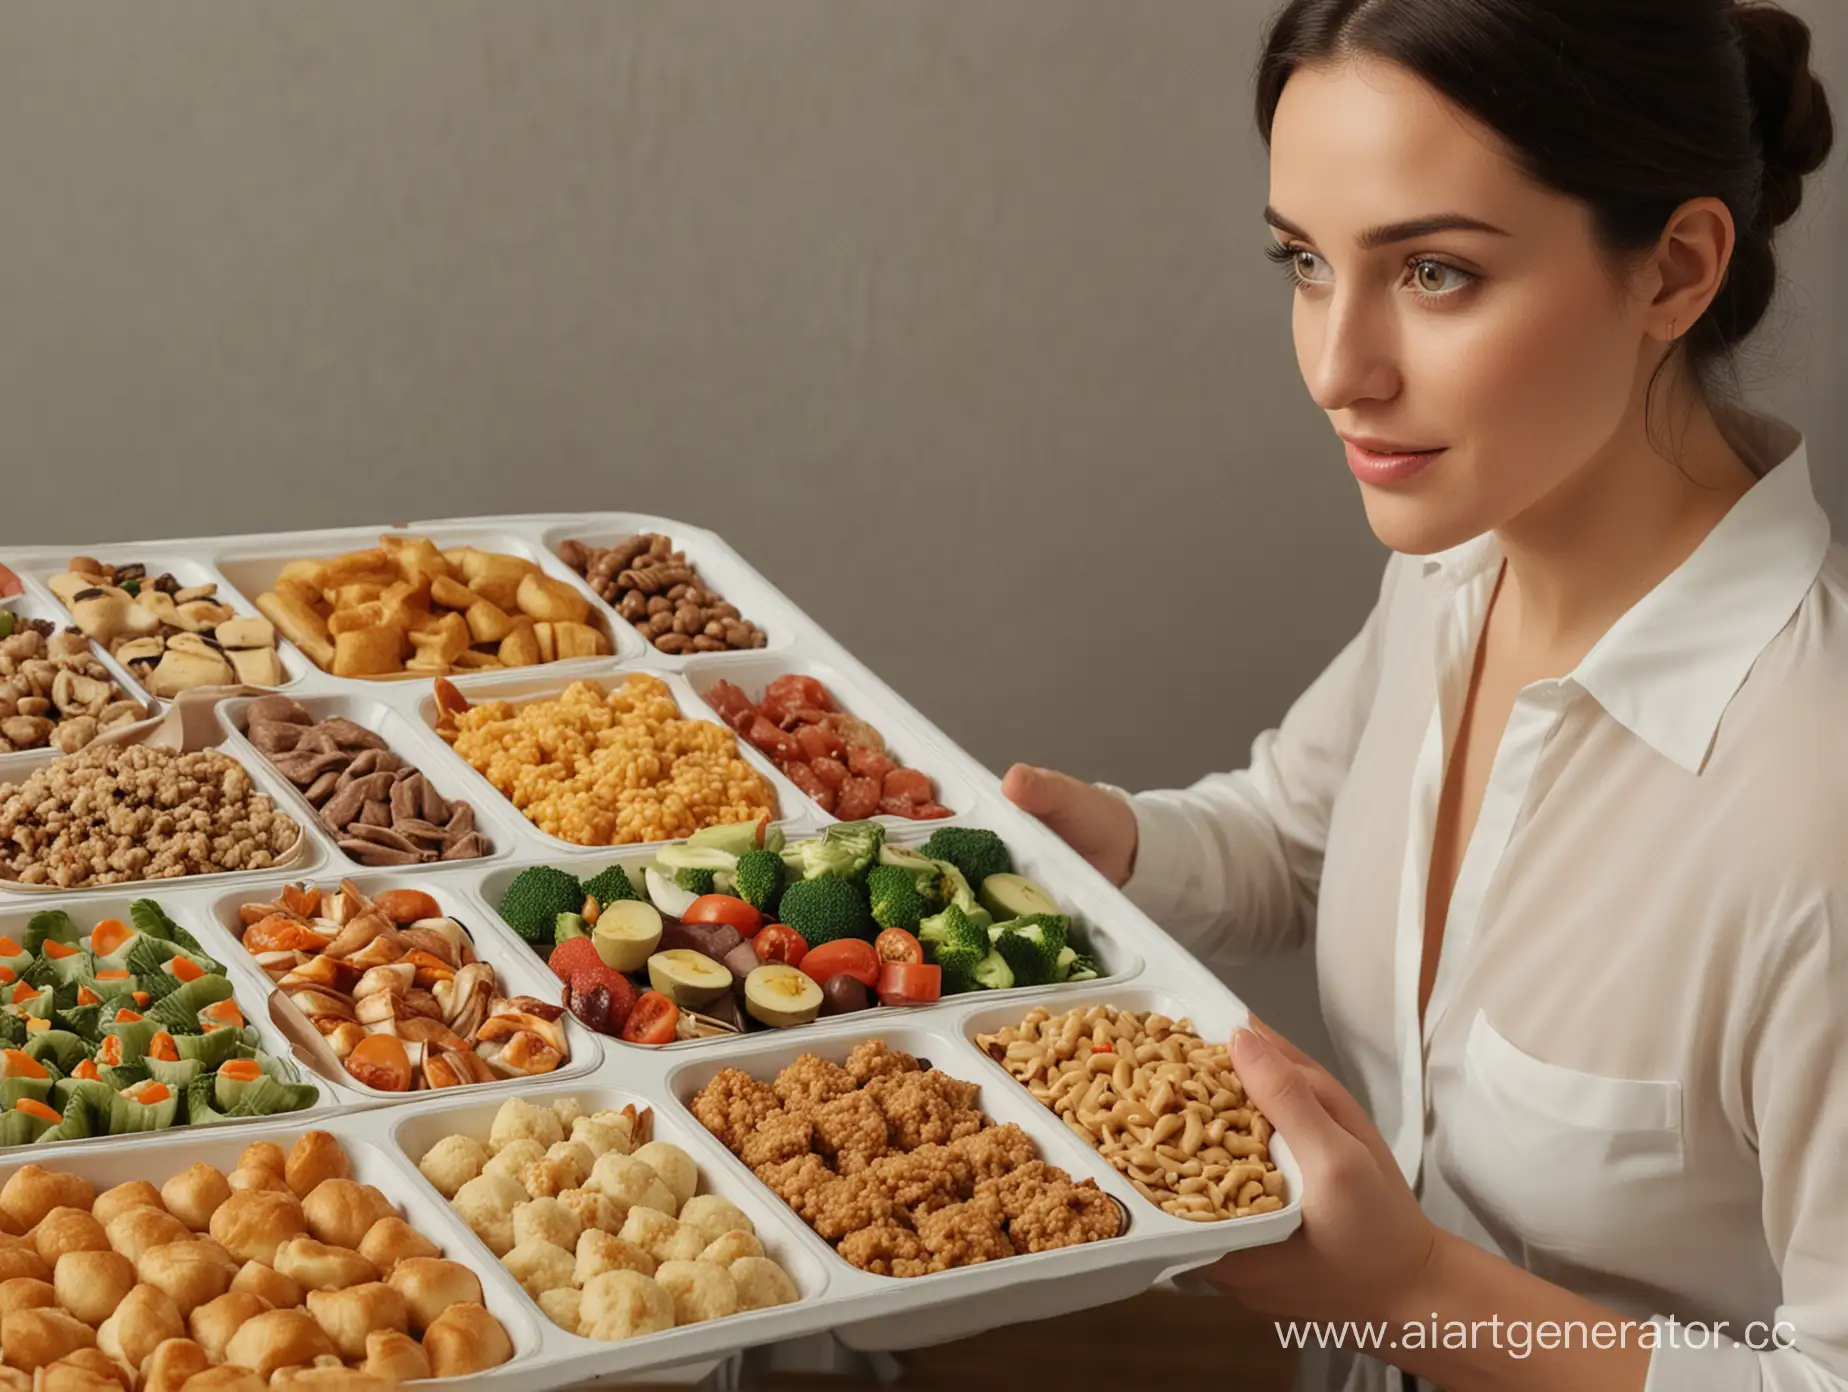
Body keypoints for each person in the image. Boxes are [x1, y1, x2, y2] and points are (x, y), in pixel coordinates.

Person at [1003, 2, 1839, 1389]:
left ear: (1676, 270)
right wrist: (1110, 846)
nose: (1338, 369)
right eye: (1305, 263)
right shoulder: (1459, 567)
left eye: (1436, 272)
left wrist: (1414, 1293)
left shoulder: (1815, 810)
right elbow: (1295, 836)